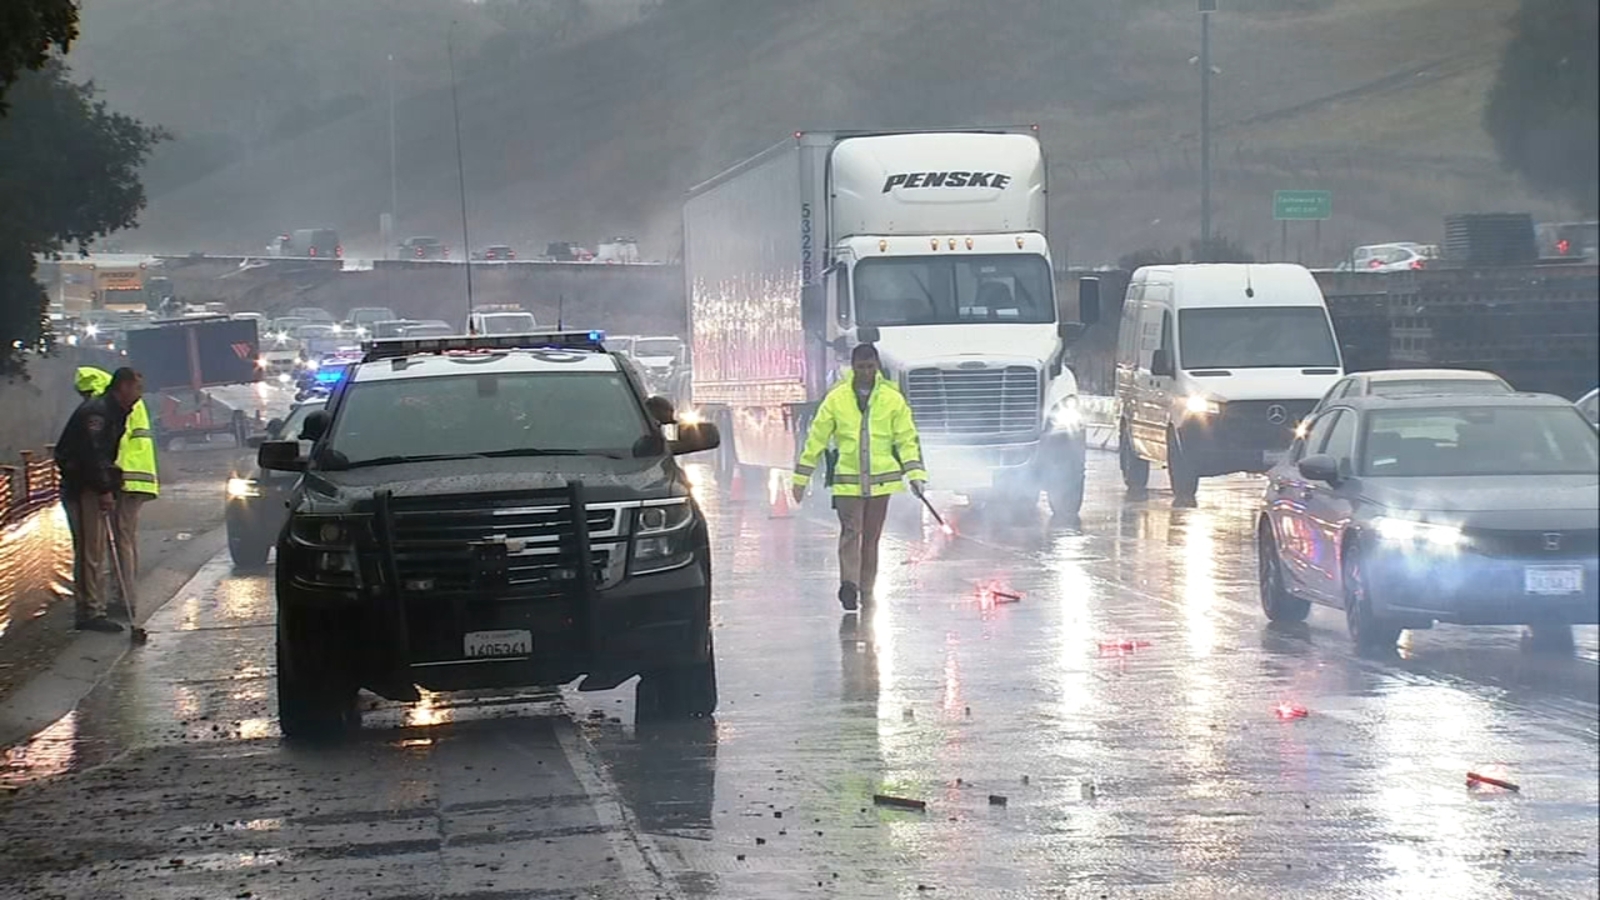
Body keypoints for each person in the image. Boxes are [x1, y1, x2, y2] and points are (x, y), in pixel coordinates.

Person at [791, 343, 927, 611]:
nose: (866, 372)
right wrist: (801, 479)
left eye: (870, 367)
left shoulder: (892, 399)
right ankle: (849, 585)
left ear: (877, 367)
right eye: (861, 367)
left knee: (872, 537)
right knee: (851, 532)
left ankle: (867, 588)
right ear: (853, 368)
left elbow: (906, 439)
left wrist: (915, 475)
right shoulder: (837, 399)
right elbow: (816, 439)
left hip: (881, 483)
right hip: (847, 482)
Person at [55, 367, 144, 632]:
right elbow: (91, 454)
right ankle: (90, 611)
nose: (141, 393)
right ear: (124, 387)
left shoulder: (115, 413)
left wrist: (111, 484)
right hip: (83, 487)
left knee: (94, 548)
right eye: (138, 387)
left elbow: (106, 456)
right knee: (89, 549)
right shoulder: (99, 413)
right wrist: (104, 488)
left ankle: (95, 606)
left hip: (92, 484)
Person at [75, 366, 160, 619]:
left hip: (126, 478)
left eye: (85, 393)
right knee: (127, 540)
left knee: (120, 540)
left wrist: (106, 482)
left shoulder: (106, 405)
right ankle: (124, 596)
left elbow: (112, 445)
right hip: (141, 478)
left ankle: (124, 600)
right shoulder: (128, 400)